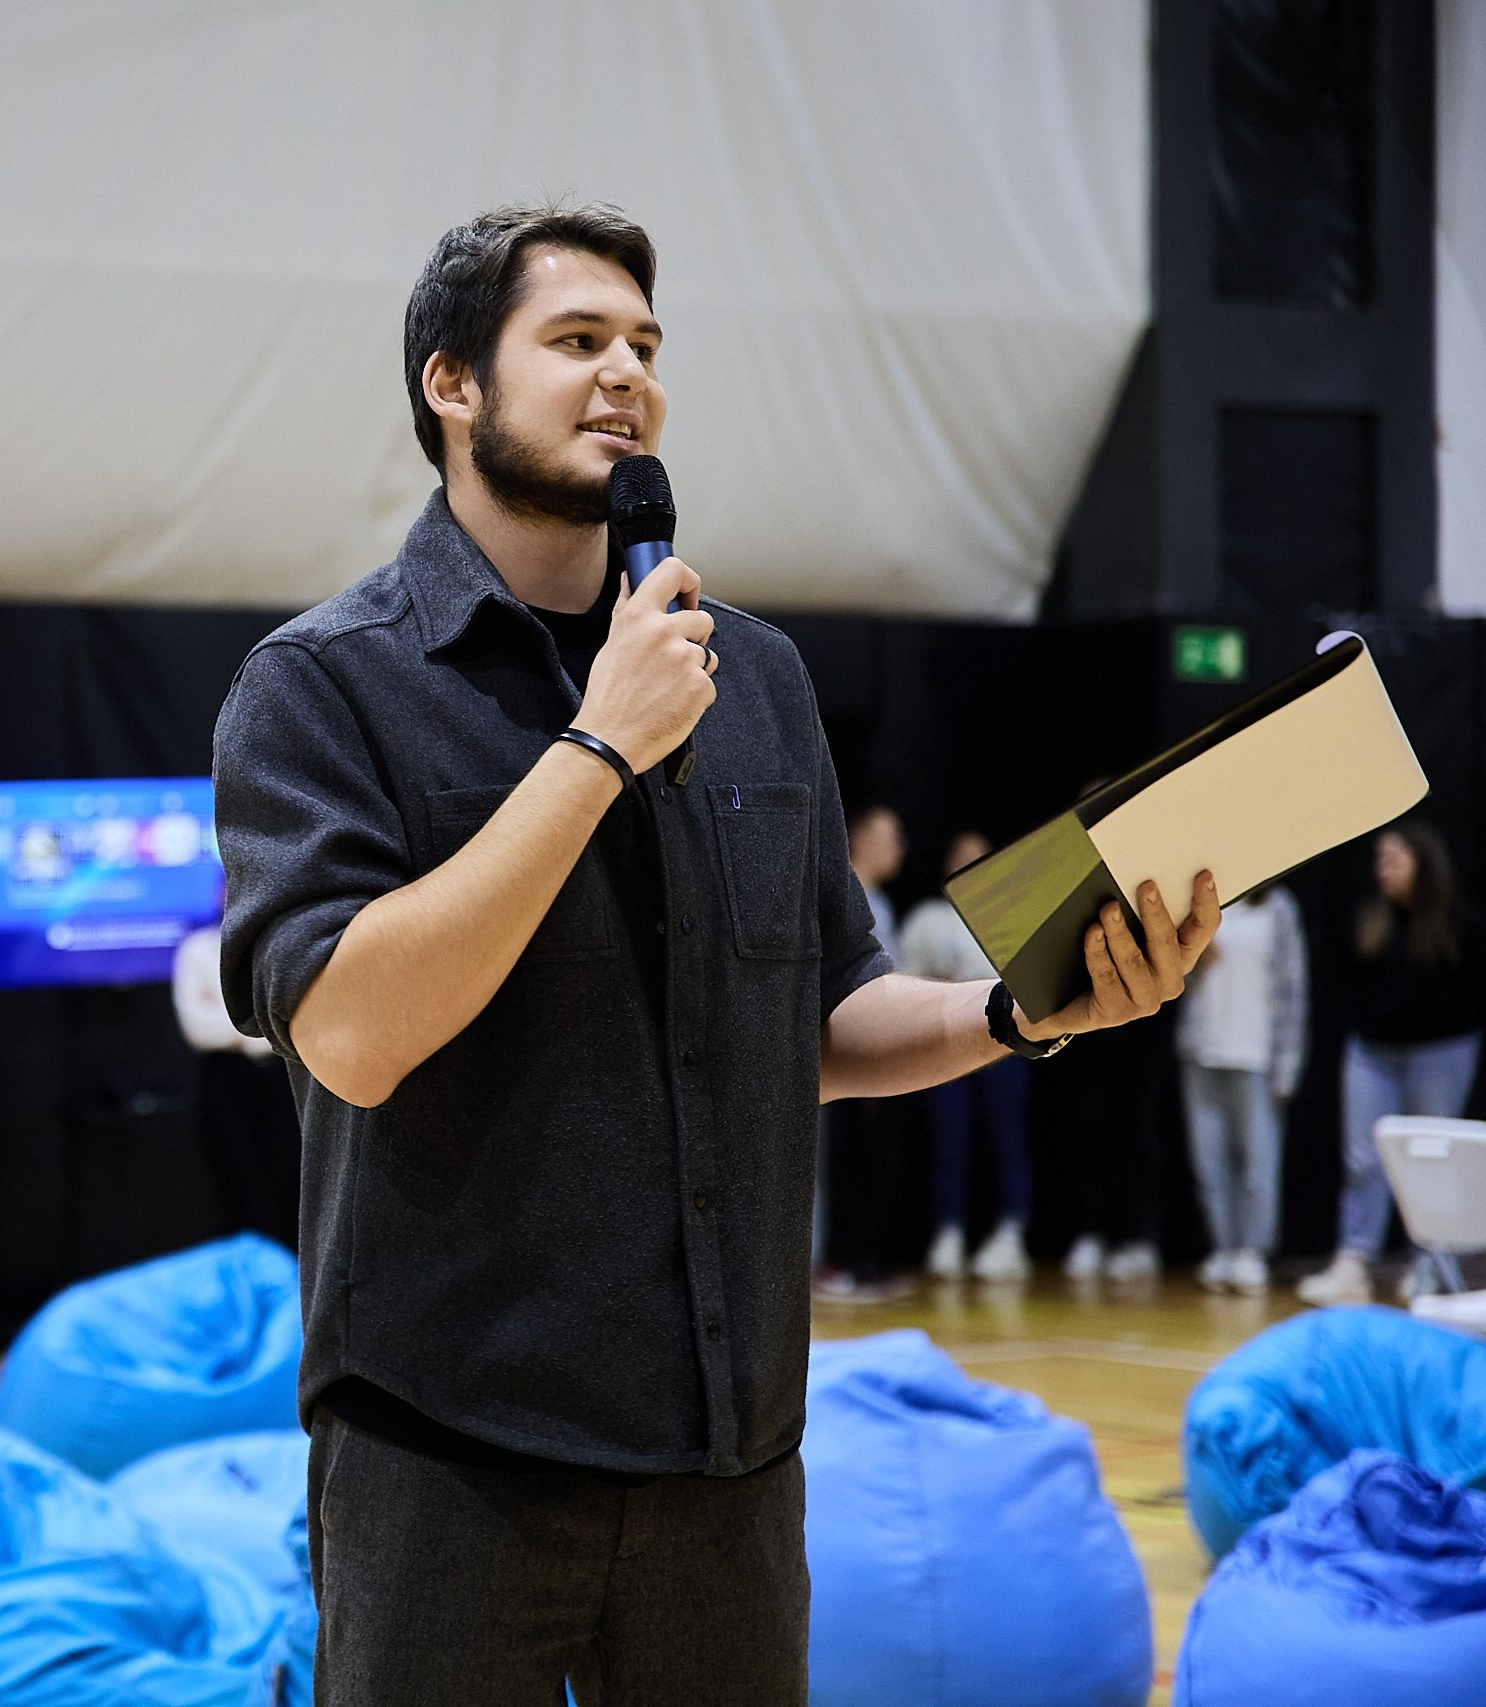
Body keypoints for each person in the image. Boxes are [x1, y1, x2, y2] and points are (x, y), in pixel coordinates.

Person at [212, 200, 1219, 1706]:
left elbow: (825, 1013)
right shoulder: (323, 686)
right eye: (576, 340)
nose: (627, 373)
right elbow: (352, 1034)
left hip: (730, 1462)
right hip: (451, 1464)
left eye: (645, 345)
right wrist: (597, 744)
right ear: (452, 384)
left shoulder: (758, 678)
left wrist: (1019, 1011)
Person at [1299, 821, 1486, 1305]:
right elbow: (1346, 984)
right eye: (1380, 861)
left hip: (1440, 1053)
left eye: (1394, 861)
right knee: (1363, 1160)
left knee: (1431, 1158)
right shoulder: (1369, 920)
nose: (1383, 871)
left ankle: (1430, 1264)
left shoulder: (1456, 926)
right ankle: (1352, 1262)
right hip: (1372, 1053)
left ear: (1423, 866)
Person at [898, 833, 1033, 1283]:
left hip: (1004, 1043)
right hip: (944, 1041)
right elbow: (899, 980)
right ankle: (948, 1233)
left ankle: (1010, 1233)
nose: (969, 866)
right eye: (961, 859)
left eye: (979, 860)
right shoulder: (927, 919)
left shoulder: (1009, 915)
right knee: (947, 1139)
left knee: (1006, 1137)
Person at [1176, 882, 1307, 1296]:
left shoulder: (1278, 907)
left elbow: (1293, 987)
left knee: (1257, 1162)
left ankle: (1253, 1251)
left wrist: (1287, 1064)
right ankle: (1224, 1248)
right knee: (1209, 1162)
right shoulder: (1206, 904)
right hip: (1203, 1050)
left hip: (1255, 1054)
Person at [812, 805, 916, 1302]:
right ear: (860, 840)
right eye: (889, 836)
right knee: (850, 1162)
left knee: (878, 1162)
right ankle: (845, 1263)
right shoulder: (846, 898)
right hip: (848, 1049)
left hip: (884, 1050)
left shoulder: (885, 903)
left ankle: (867, 1262)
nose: (899, 848)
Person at [175, 920, 303, 1248]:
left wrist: (238, 1025)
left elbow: (299, 1010)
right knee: (240, 1184)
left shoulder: (283, 941)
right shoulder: (198, 947)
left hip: (284, 1077)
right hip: (229, 1081)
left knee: (295, 1185)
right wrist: (263, 1033)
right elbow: (197, 1027)